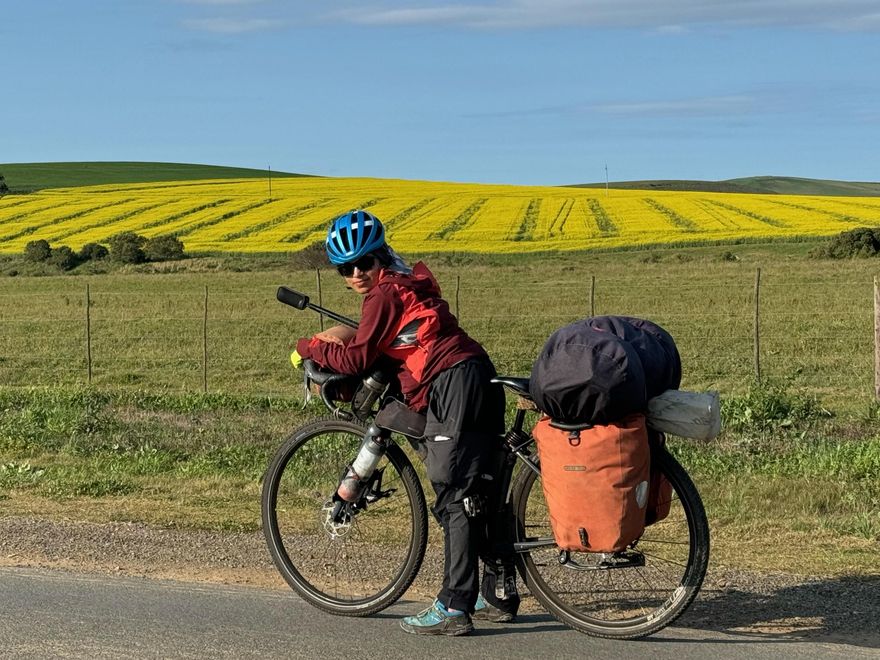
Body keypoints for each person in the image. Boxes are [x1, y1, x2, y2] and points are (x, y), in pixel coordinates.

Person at [292, 209, 520, 636]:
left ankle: (454, 607)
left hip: (452, 381)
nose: (357, 273)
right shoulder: (405, 283)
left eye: (364, 262)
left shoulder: (383, 294)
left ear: (380, 255)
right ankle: (497, 594)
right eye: (345, 268)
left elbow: (358, 357)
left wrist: (309, 347)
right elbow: (391, 343)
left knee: (454, 493)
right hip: (473, 376)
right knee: (479, 492)